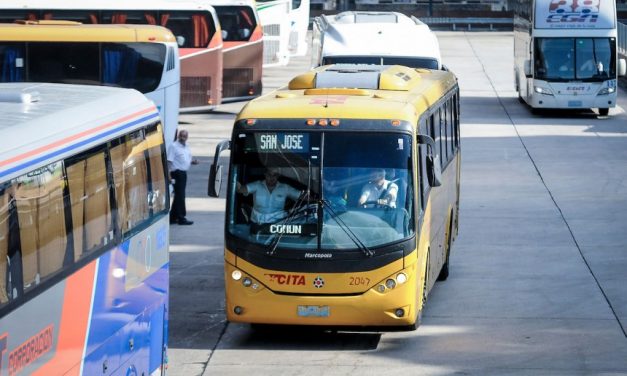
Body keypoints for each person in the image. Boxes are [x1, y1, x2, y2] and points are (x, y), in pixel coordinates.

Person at [236, 168, 301, 224]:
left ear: (278, 176)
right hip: (257, 224)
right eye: (269, 175)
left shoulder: (285, 188)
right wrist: (238, 187)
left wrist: (309, 196)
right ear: (265, 174)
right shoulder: (257, 185)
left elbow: (302, 196)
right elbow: (241, 189)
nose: (271, 177)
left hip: (278, 224)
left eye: (274, 175)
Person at [168, 130, 198, 225]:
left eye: (185, 136)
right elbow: (169, 161)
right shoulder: (173, 146)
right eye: (181, 135)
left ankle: (172, 217)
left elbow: (184, 159)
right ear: (178, 136)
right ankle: (181, 217)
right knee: (181, 196)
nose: (183, 137)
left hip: (183, 174)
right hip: (176, 173)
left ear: (187, 137)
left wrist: (192, 162)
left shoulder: (186, 146)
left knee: (178, 195)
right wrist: (168, 175)